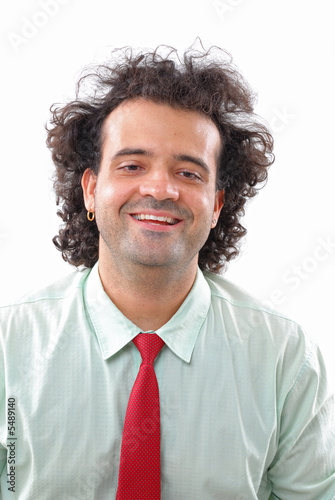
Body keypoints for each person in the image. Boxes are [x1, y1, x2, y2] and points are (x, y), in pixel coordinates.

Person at [0, 41, 334, 500]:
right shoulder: (8, 344)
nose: (159, 189)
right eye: (133, 165)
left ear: (217, 205)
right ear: (91, 190)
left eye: (189, 173)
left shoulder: (284, 359)